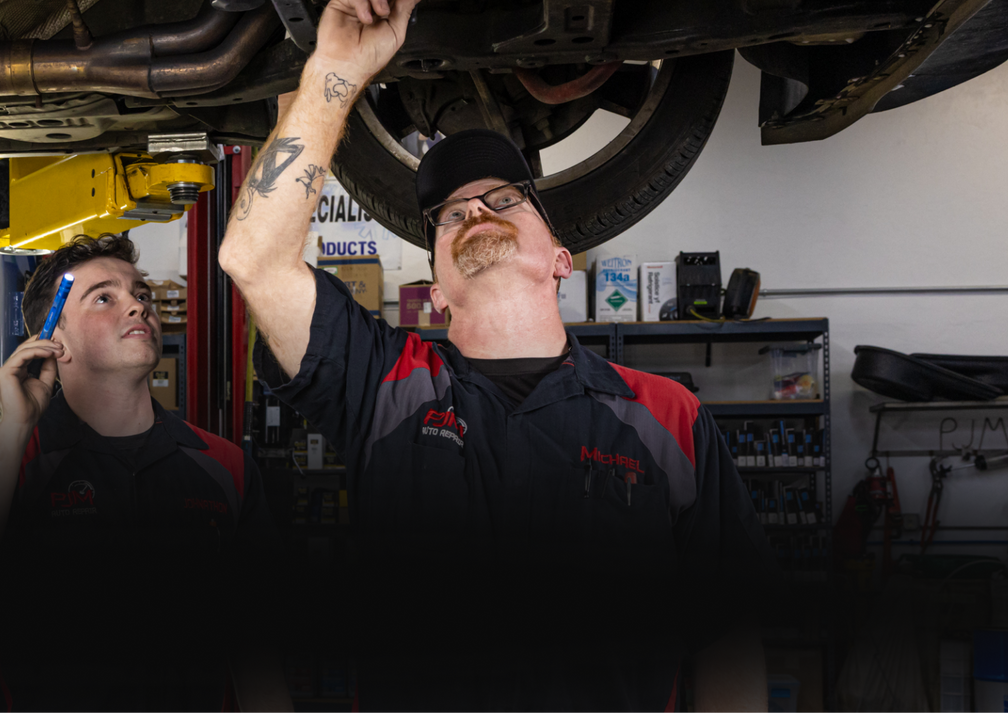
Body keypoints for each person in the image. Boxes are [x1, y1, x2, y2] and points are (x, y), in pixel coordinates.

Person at [216, 0, 778, 709]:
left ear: (561, 260)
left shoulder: (669, 418)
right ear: (437, 290)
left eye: (505, 199)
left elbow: (726, 641)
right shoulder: (385, 387)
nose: (475, 211)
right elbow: (252, 257)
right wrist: (334, 69)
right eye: (450, 215)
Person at [0, 233, 288, 712]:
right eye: (104, 298)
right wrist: (14, 428)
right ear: (56, 344)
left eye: (140, 294)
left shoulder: (224, 466)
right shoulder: (2, 457)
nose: (137, 307)